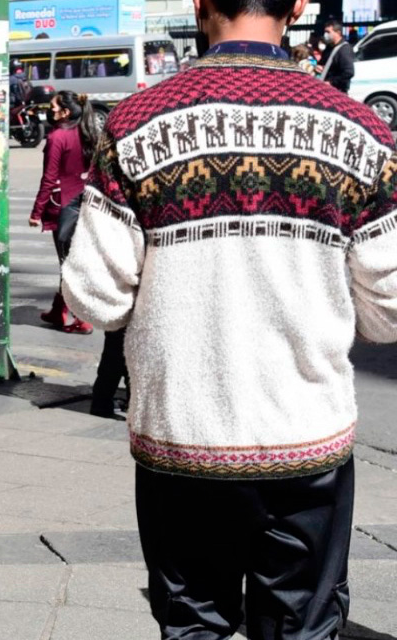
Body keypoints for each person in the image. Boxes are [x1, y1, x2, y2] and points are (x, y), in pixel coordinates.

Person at [62, 0, 397, 633]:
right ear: (297, 6)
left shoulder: (135, 124)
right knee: (303, 628)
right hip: (307, 444)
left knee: (193, 624)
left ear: (198, 3)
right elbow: (389, 313)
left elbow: (94, 298)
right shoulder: (361, 132)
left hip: (182, 441)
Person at [29, 90, 97, 335]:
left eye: (54, 107)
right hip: (86, 202)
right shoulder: (87, 131)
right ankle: (60, 310)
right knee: (72, 260)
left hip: (64, 204)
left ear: (65, 112)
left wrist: (36, 211)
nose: (51, 110)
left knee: (68, 263)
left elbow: (49, 178)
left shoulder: (58, 137)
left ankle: (81, 318)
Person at [318, 19, 355, 91]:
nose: (326, 34)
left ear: (338, 33)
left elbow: (349, 72)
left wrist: (331, 82)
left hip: (337, 91)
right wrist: (319, 67)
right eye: (325, 32)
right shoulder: (329, 47)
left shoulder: (344, 49)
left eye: (328, 32)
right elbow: (323, 63)